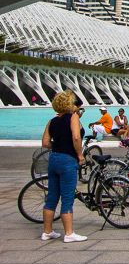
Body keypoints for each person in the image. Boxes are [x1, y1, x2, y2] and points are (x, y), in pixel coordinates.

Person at [40, 90, 87, 243]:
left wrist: (58, 144)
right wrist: (80, 155)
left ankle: (47, 231)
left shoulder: (52, 121)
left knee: (52, 196)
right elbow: (76, 137)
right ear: (70, 103)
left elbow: (45, 143)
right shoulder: (72, 117)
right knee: (67, 197)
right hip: (68, 160)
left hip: (54, 158)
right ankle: (69, 233)